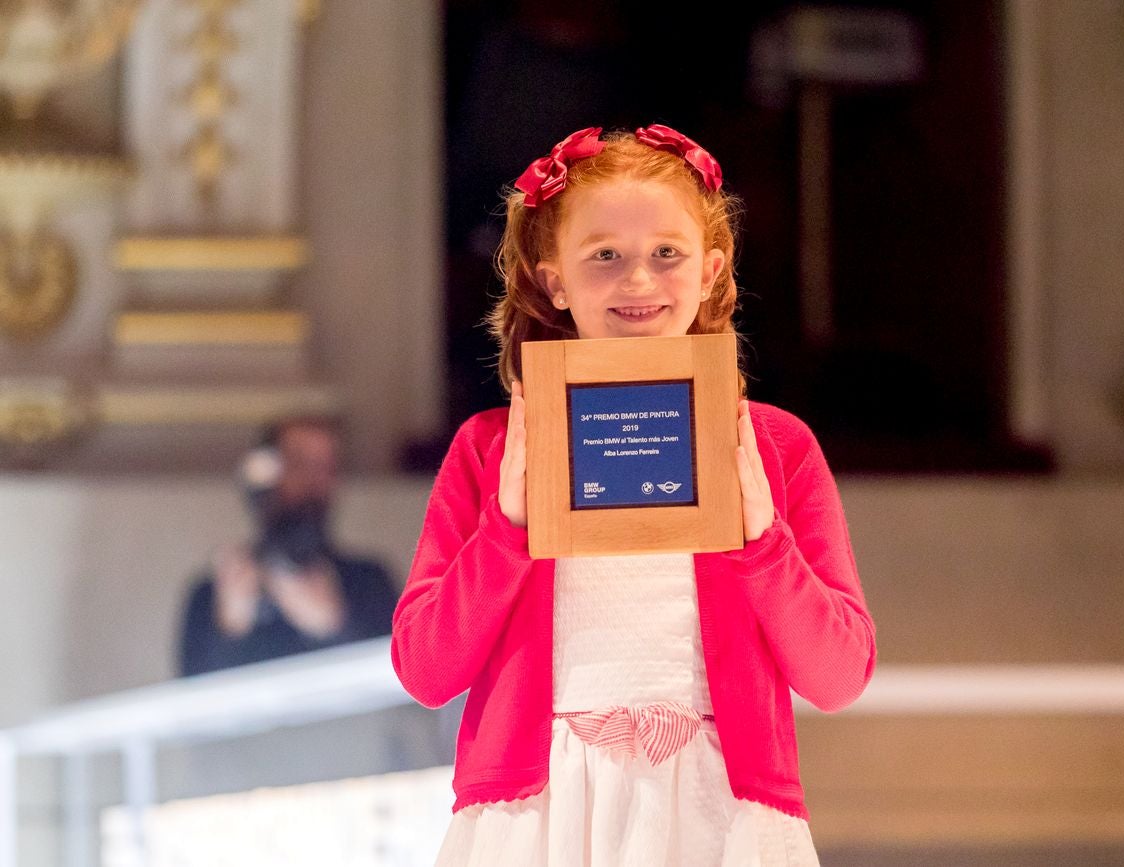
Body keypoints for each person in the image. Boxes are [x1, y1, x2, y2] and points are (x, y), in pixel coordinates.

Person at [391, 125, 875, 865]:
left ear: (712, 270)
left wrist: (762, 539)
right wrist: (507, 526)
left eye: (667, 254)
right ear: (555, 278)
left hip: (724, 813)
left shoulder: (775, 447)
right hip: (533, 813)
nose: (639, 280)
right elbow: (426, 669)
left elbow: (839, 675)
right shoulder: (492, 446)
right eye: (605, 256)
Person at [178, 416, 399, 677]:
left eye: (326, 466)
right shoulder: (211, 594)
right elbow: (193, 699)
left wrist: (334, 626)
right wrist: (230, 625)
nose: (313, 479)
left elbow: (397, 691)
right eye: (298, 462)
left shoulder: (369, 581)